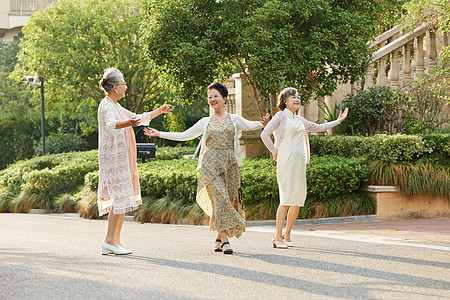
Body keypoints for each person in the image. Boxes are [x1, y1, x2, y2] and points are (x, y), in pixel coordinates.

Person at [144, 82, 270, 254]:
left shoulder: (234, 119)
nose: (212, 99)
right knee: (220, 199)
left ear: (224, 99)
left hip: (230, 166)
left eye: (215, 96)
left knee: (226, 201)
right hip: (210, 166)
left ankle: (218, 238)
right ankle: (226, 241)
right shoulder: (204, 122)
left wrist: (263, 123)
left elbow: (251, 125)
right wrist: (159, 133)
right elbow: (184, 135)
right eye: (210, 97)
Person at [261, 87, 348, 249]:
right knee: (286, 198)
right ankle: (277, 237)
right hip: (286, 162)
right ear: (285, 101)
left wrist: (338, 121)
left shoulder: (300, 120)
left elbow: (319, 127)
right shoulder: (280, 116)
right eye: (293, 97)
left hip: (299, 164)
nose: (297, 99)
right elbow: (264, 134)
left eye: (298, 97)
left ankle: (287, 235)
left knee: (297, 199)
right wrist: (274, 151)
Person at [97, 67, 172, 255]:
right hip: (113, 160)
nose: (126, 86)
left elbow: (137, 118)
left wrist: (159, 111)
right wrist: (128, 124)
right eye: (123, 83)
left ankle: (115, 240)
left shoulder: (116, 105)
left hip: (122, 158)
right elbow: (111, 124)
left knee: (121, 198)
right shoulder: (106, 106)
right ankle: (108, 240)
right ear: (115, 87)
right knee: (117, 198)